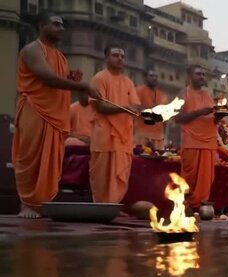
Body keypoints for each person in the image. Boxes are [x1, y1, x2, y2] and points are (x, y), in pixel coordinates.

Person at [12, 12, 99, 218]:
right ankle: (27, 204)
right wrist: (82, 84)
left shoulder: (60, 57)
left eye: (63, 25)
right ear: (42, 25)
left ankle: (42, 203)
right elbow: (47, 78)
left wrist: (76, 84)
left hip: (55, 117)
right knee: (30, 159)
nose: (61, 28)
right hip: (35, 110)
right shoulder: (32, 49)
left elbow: (65, 89)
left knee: (49, 162)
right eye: (56, 24)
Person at [89, 44, 141, 204]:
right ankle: (101, 206)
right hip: (104, 133)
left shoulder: (128, 82)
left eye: (122, 56)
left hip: (123, 136)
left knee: (121, 175)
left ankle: (114, 206)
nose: (120, 58)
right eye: (115, 55)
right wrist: (125, 108)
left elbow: (135, 106)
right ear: (106, 58)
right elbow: (100, 105)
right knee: (102, 176)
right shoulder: (99, 78)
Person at [172, 65, 225, 211]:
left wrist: (219, 117)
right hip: (191, 142)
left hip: (209, 143)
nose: (202, 76)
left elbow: (213, 119)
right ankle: (186, 208)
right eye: (198, 74)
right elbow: (177, 118)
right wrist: (200, 112)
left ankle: (200, 208)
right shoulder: (183, 94)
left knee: (206, 180)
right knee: (190, 178)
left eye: (203, 74)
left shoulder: (207, 95)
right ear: (189, 75)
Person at [135, 69, 167, 149]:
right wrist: (155, 108)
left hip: (159, 136)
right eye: (151, 76)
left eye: (156, 76)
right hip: (142, 135)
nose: (154, 78)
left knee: (158, 160)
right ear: (145, 78)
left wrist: (164, 135)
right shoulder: (138, 91)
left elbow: (165, 118)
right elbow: (138, 110)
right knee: (140, 160)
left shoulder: (162, 95)